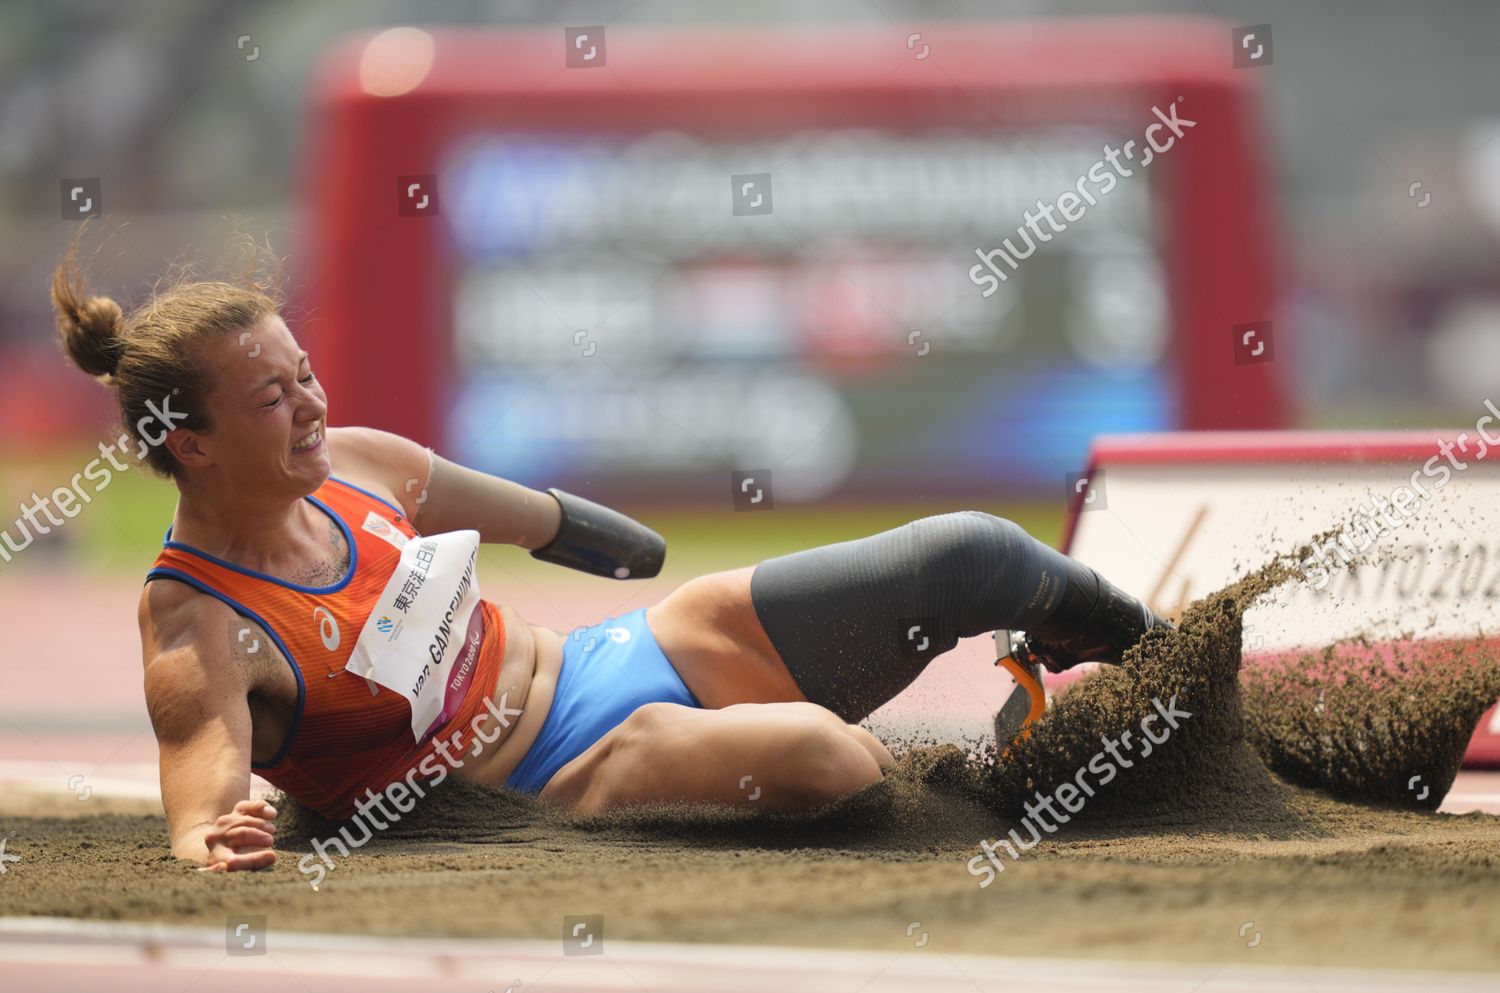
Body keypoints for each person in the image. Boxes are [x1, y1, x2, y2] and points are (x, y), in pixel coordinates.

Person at [51, 241, 1169, 873]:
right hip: (558, 771)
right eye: (271, 396)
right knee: (833, 762)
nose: (310, 405)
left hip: (618, 652)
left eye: (305, 373)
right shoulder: (197, 623)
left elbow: (546, 520)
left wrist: (616, 545)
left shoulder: (358, 459)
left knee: (970, 554)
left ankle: (1180, 675)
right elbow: (202, 790)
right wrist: (216, 831)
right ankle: (996, 784)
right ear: (185, 442)